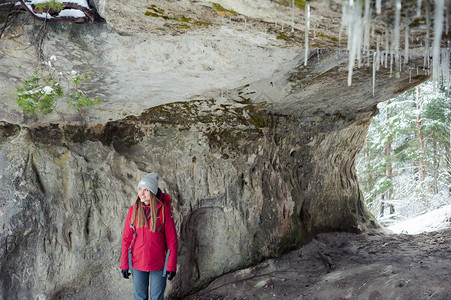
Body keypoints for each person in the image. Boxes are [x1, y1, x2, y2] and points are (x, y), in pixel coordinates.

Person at [120, 173, 178, 300]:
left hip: (158, 263)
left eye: (146, 190)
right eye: (140, 189)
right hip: (138, 262)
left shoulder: (163, 210)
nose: (141, 193)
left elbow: (172, 241)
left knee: (157, 297)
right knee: (140, 297)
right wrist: (124, 264)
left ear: (152, 191)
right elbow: (126, 239)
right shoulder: (133, 210)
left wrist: (171, 266)